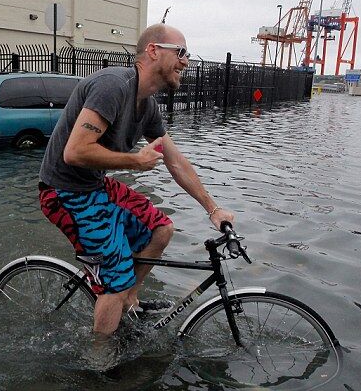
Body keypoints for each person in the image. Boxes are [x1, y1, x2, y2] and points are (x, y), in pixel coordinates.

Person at [38, 24, 235, 335]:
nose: (186, 62)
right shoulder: (113, 86)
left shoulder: (148, 105)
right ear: (153, 51)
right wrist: (134, 160)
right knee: (115, 280)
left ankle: (129, 301)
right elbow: (74, 152)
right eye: (181, 53)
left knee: (161, 229)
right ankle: (100, 363)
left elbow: (176, 162)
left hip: (95, 186)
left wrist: (213, 209)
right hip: (65, 192)